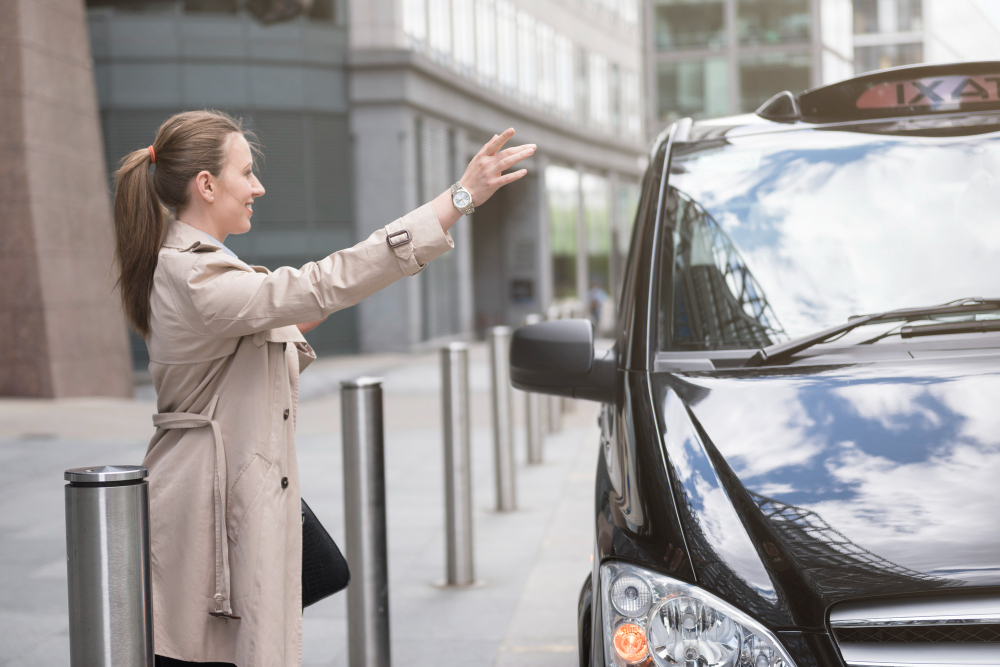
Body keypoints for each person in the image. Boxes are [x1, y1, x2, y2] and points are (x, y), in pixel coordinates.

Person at [111, 109, 534, 667]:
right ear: (206, 185)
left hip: (226, 487)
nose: (258, 187)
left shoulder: (206, 269)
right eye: (246, 172)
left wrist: (334, 293)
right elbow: (316, 286)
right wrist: (458, 200)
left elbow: (300, 305)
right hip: (206, 504)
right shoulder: (194, 275)